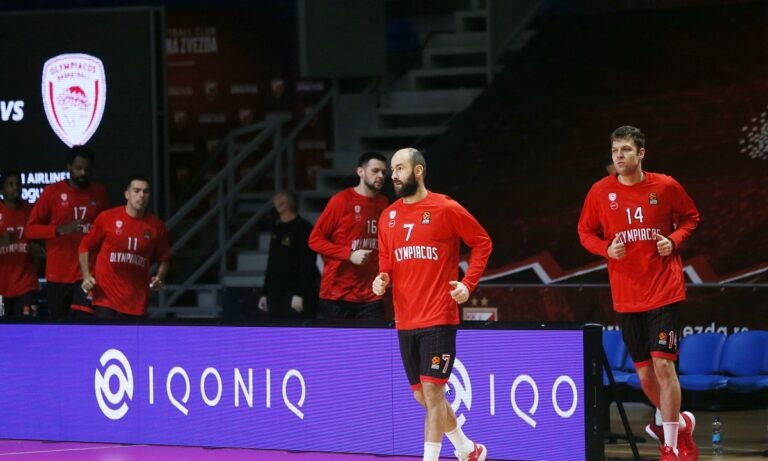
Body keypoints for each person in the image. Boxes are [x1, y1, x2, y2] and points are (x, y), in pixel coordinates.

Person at [577, 126, 700, 461]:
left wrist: (673, 240)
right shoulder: (600, 192)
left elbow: (691, 217)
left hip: (664, 289)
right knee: (644, 375)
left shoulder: (666, 186)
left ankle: (670, 446)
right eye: (615, 150)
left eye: (626, 150)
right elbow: (585, 233)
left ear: (641, 153)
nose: (619, 156)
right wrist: (605, 249)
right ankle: (681, 424)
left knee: (663, 366)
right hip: (627, 295)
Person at [372, 148, 492, 461]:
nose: (393, 176)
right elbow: (386, 262)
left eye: (400, 168)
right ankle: (467, 449)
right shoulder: (388, 217)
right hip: (405, 319)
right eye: (392, 169)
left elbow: (482, 243)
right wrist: (382, 279)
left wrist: (467, 284)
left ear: (418, 171)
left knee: (433, 391)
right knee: (422, 396)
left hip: (439, 316)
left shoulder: (445, 208)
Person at [25, 145, 109, 318]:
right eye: (78, 168)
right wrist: (58, 230)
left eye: (87, 169)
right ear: (69, 167)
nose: (83, 173)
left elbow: (107, 229)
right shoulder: (52, 192)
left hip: (87, 273)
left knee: (84, 321)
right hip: (58, 274)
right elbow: (30, 230)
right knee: (59, 324)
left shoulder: (99, 193)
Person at [309, 152, 389, 320]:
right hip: (337, 293)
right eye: (375, 171)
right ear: (360, 172)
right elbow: (315, 240)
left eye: (383, 172)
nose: (381, 176)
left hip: (371, 295)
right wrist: (349, 254)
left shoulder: (384, 203)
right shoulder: (341, 200)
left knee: (374, 337)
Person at [79, 175, 170, 318]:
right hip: (105, 299)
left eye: (146, 192)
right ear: (127, 194)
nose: (141, 195)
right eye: (137, 191)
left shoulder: (157, 226)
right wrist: (86, 275)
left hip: (137, 303)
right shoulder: (107, 218)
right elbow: (85, 246)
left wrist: (159, 277)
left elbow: (164, 258)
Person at [258, 191, 318, 319]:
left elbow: (307, 264)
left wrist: (300, 293)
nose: (273, 207)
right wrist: (265, 293)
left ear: (283, 205)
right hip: (275, 293)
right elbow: (272, 262)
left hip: (295, 294)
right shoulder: (277, 228)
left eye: (275, 203)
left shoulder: (303, 228)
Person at [0, 171, 40, 317]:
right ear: (2, 190)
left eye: (18, 184)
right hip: (2, 287)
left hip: (26, 285)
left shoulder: (32, 211)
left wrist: (39, 250)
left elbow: (42, 242)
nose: (15, 187)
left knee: (27, 327)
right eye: (10, 185)